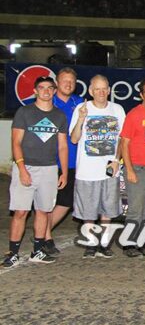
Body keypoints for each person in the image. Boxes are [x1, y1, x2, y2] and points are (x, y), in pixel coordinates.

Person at [2, 76, 68, 267]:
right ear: (35, 91)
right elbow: (16, 142)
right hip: (27, 166)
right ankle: (12, 253)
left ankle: (37, 251)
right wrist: (22, 168)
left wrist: (63, 172)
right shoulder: (25, 112)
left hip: (49, 168)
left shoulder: (59, 116)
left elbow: (62, 146)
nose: (46, 91)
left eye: (50, 88)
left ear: (54, 91)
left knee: (43, 211)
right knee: (21, 211)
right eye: (42, 87)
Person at [70, 75, 126, 259]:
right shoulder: (82, 108)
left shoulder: (117, 109)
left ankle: (104, 244)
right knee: (88, 212)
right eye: (97, 89)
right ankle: (91, 244)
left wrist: (117, 160)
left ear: (109, 90)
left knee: (107, 211)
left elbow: (122, 139)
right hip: (87, 170)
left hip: (109, 170)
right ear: (90, 91)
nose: (101, 93)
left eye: (104, 89)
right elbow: (74, 139)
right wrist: (81, 119)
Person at [119, 77, 145, 258]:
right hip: (137, 167)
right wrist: (129, 169)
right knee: (135, 209)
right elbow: (124, 143)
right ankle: (129, 243)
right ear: (141, 95)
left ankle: (142, 242)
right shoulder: (134, 115)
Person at [45, 67, 83, 256]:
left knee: (66, 202)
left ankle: (43, 233)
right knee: (46, 202)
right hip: (50, 162)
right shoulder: (47, 102)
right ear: (57, 83)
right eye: (64, 81)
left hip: (73, 162)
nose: (68, 84)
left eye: (71, 82)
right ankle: (44, 237)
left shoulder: (80, 103)